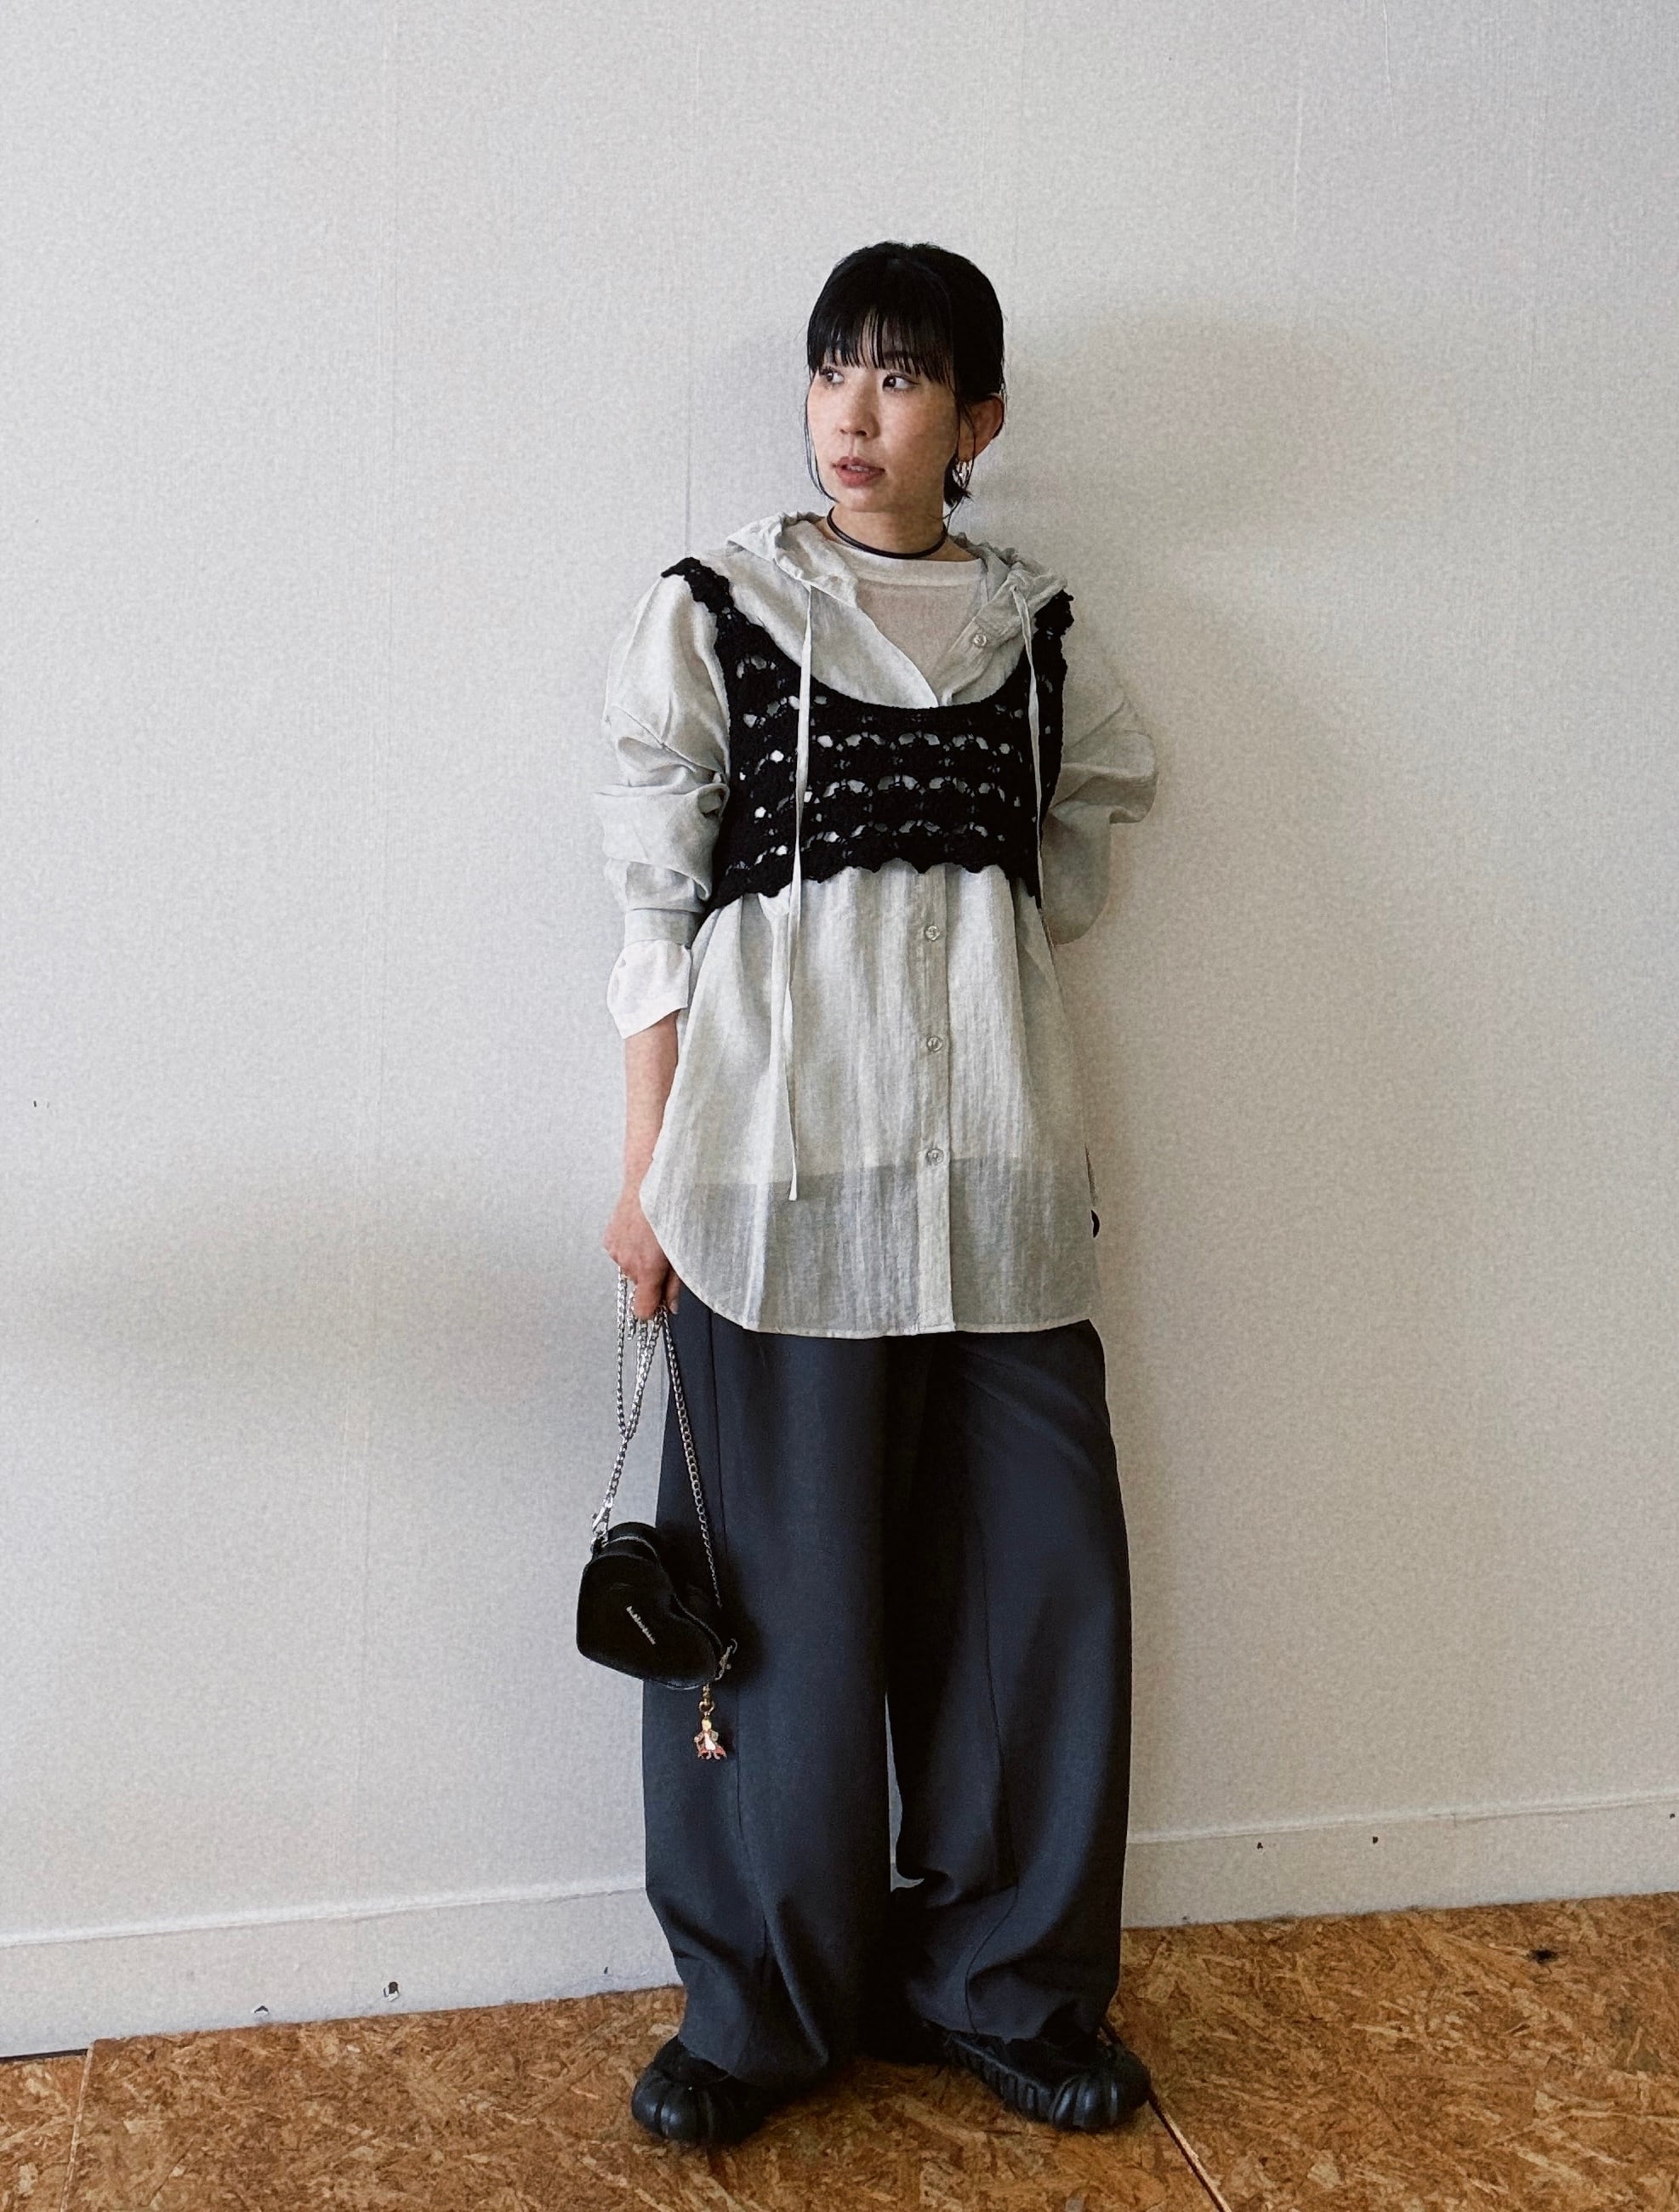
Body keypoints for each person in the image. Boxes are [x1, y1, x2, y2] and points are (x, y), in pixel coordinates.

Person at [595, 240, 1158, 2146]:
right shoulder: (720, 613)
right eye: (836, 369)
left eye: (904, 377)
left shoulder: (1037, 635)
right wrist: (644, 1176)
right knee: (775, 1616)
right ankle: (760, 2006)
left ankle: (1001, 1982)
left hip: (997, 1182)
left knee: (1033, 1597)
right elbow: (652, 918)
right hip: (772, 1186)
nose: (857, 410)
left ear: (976, 419)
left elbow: (1070, 857)